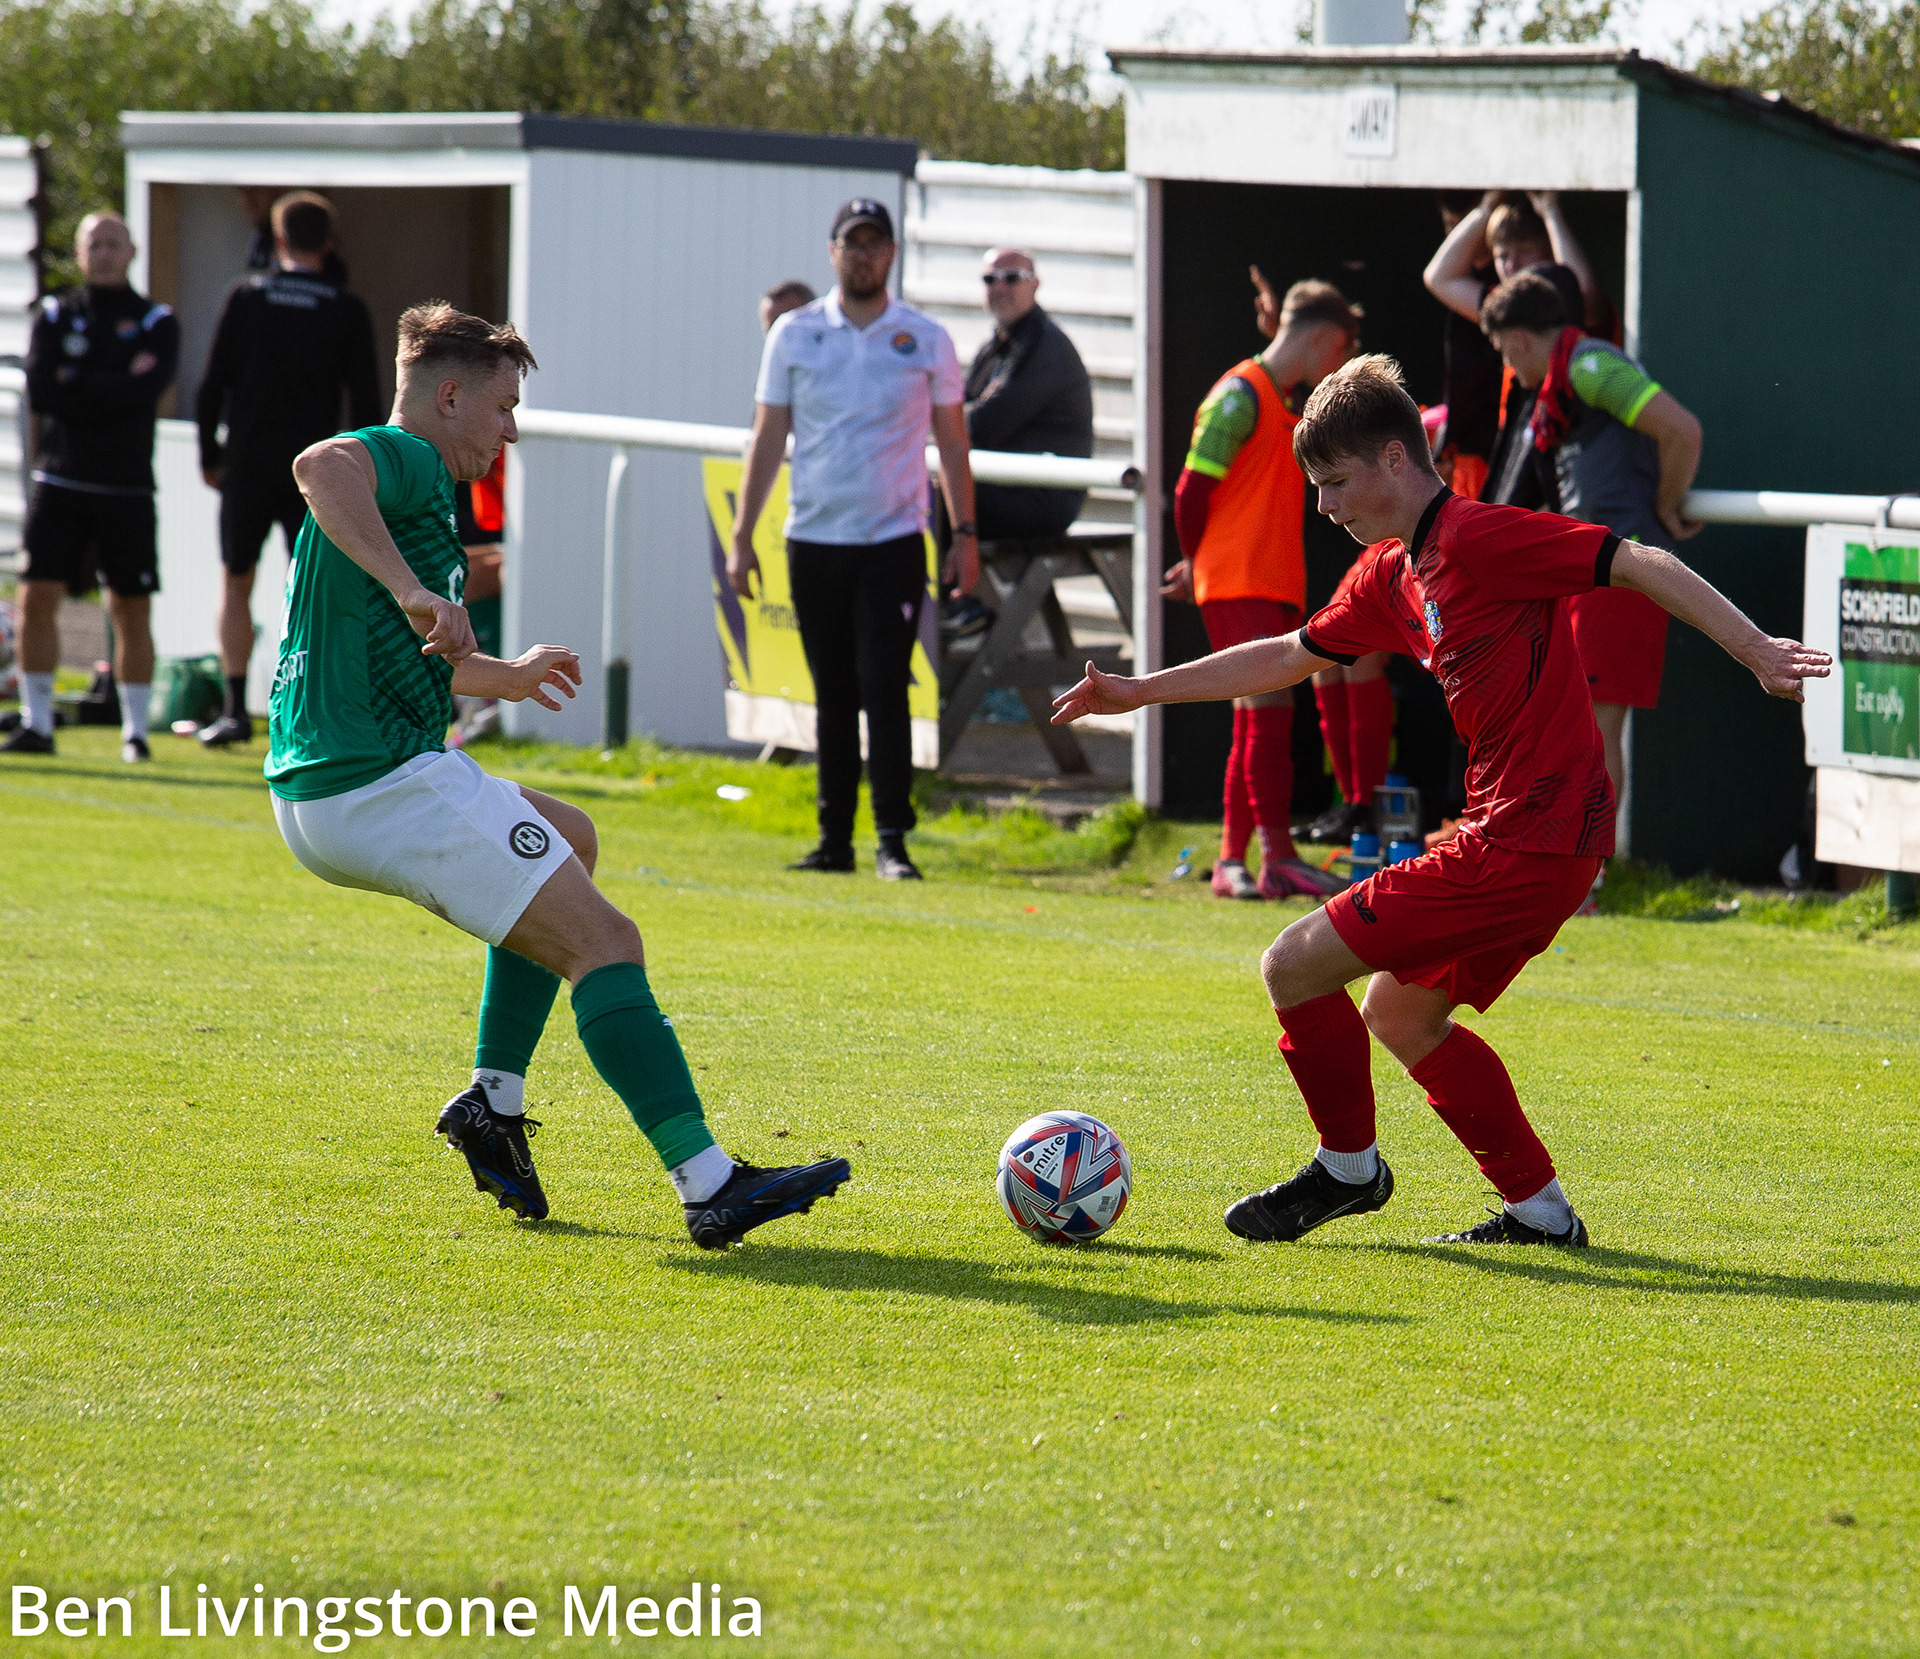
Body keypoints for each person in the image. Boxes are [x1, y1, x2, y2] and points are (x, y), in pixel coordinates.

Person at [1051, 354, 1828, 1248]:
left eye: (1335, 481)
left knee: (1291, 964)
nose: (1324, 506)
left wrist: (1755, 649)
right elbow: (1287, 656)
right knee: (1399, 1011)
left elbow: (1636, 559)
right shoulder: (1390, 575)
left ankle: (1348, 1168)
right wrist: (1138, 690)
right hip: (1532, 840)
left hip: (1529, 839)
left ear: (1394, 458)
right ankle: (1541, 1214)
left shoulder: (1477, 537)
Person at [269, 300, 850, 1241]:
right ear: (448, 396)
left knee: (570, 839)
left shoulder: (411, 497)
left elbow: (413, 650)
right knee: (607, 942)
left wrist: (505, 674)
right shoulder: (403, 457)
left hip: (325, 788)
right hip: (378, 782)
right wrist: (414, 590)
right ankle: (709, 1183)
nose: (510, 430)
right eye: (502, 407)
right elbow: (316, 465)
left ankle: (493, 1101)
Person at [729, 198, 978, 882]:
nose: (864, 256)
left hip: (893, 538)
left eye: (875, 244)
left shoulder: (925, 337)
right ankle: (833, 839)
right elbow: (767, 436)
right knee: (832, 690)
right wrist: (743, 535)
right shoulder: (795, 333)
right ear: (832, 251)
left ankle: (893, 839)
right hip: (813, 537)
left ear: (891, 253)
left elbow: (953, 443)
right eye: (852, 243)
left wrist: (964, 534)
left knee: (885, 684)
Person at [1161, 278, 1358, 901]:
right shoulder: (1240, 395)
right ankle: (1275, 858)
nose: (1340, 363)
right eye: (1341, 349)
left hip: (1262, 579)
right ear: (1323, 338)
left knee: (1257, 718)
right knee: (1267, 712)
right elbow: (1190, 491)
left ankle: (1232, 861)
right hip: (1237, 579)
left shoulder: (1274, 395)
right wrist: (1193, 561)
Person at [1481, 270, 1705, 811]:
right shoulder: (1570, 375)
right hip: (1595, 568)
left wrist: (1666, 505)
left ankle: (1592, 860)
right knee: (1575, 726)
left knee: (1596, 730)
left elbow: (1683, 431)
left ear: (1521, 340)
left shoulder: (1589, 367)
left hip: (1623, 568)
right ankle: (1572, 853)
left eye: (1506, 352)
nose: (1510, 365)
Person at [196, 191, 380, 748]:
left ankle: (235, 709)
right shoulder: (345, 309)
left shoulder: (247, 296)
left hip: (247, 464)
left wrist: (209, 455)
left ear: (278, 239)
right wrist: (365, 475)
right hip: (315, 472)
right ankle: (305, 708)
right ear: (328, 242)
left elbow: (211, 385)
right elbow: (367, 404)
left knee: (236, 581)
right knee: (312, 586)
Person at [5, 210, 177, 762]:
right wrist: (116, 381)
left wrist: (78, 380)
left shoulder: (155, 320)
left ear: (132, 251)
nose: (103, 253)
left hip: (126, 486)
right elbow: (43, 391)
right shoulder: (56, 313)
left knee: (130, 607)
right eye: (94, 244)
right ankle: (37, 722)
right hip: (60, 480)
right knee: (36, 597)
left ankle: (136, 734)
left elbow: (146, 393)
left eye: (113, 243)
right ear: (79, 253)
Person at [1424, 190, 1607, 511]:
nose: (1511, 265)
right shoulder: (1505, 307)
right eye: (1501, 255)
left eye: (1524, 251)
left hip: (1576, 458)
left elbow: (1582, 293)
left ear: (1548, 249)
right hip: (1520, 456)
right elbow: (1438, 277)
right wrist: (1486, 207)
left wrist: (1550, 212)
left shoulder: (1568, 306)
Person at [962, 248, 1094, 540]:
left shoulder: (1043, 345)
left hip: (1042, 495)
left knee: (936, 498)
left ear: (1034, 284)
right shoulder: (994, 347)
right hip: (1002, 484)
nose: (999, 287)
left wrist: (938, 420)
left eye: (1011, 277)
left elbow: (982, 425)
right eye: (990, 279)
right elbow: (958, 413)